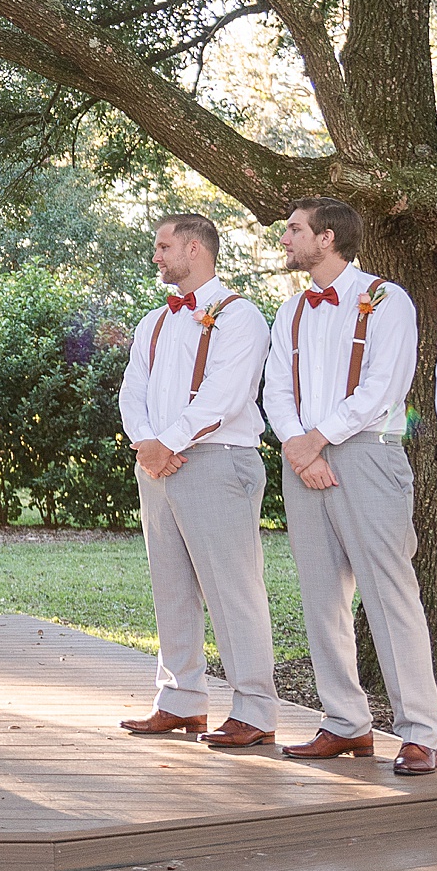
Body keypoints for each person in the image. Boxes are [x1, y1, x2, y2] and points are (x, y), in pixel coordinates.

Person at [262, 198, 437, 774]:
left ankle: (419, 731)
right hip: (302, 459)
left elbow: (384, 388)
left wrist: (316, 440)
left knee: (391, 595)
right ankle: (345, 722)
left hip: (367, 456)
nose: (285, 239)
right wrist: (298, 444)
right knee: (321, 597)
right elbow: (275, 390)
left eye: (294, 230)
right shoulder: (290, 309)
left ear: (329, 237)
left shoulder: (387, 299)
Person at [113, 212, 277, 748]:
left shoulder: (240, 315)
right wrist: (146, 443)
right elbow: (131, 388)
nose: (156, 256)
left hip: (217, 459)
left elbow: (226, 394)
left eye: (163, 247)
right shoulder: (153, 322)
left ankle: (255, 708)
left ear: (195, 249)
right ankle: (181, 701)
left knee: (233, 588)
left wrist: (170, 442)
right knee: (171, 585)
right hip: (157, 463)